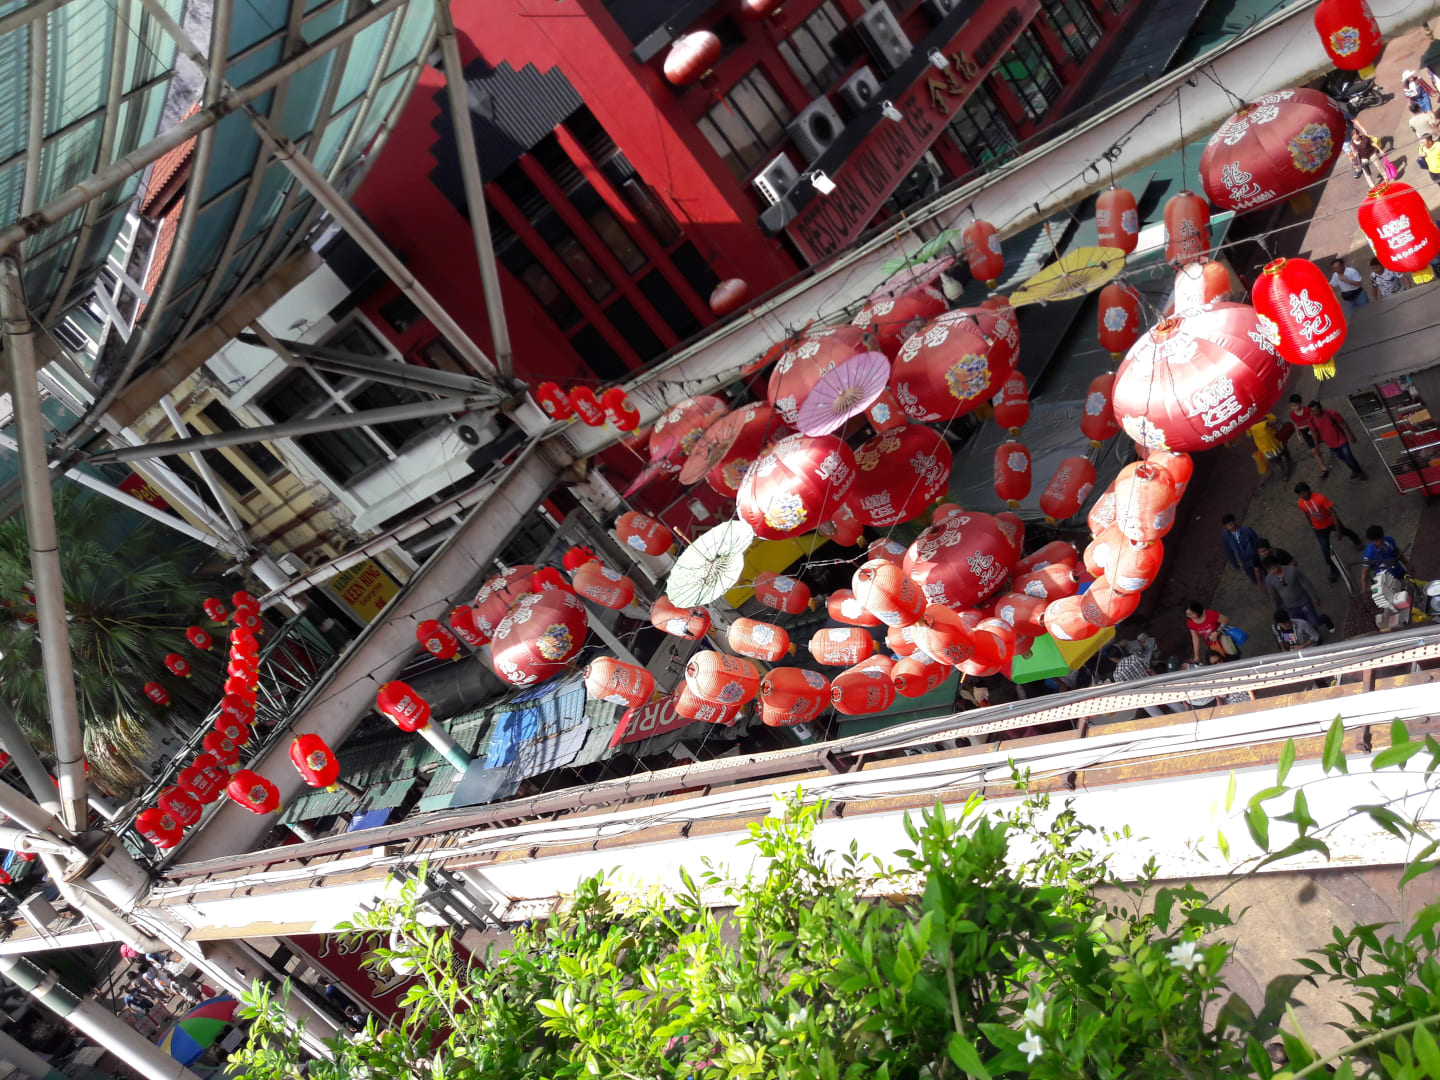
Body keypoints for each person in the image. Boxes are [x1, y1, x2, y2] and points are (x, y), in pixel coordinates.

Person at [1294, 481, 1361, 578]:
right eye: (1300, 494)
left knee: (1345, 532)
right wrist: (1312, 526)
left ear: (1308, 490)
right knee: (1325, 550)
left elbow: (1333, 513)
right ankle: (1333, 568)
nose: (1302, 495)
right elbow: (1307, 513)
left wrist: (1338, 530)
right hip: (1319, 529)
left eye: (1304, 493)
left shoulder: (1320, 498)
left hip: (1331, 523)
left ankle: (1356, 540)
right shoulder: (1300, 503)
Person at [1104, 644, 1180, 717]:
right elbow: (1150, 670)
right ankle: (1185, 712)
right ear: (1121, 651)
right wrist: (1161, 683)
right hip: (1152, 685)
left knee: (1157, 715)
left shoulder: (1117, 674)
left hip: (1141, 696)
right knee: (1171, 701)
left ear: (1112, 659)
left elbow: (1125, 691)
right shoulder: (1135, 657)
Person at [1264, 556, 1332, 633]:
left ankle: (1324, 619)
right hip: (1291, 607)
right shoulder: (1269, 579)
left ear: (1278, 564)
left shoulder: (1292, 570)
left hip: (1304, 602)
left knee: (1314, 622)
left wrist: (1314, 597)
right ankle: (1316, 636)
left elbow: (1305, 583)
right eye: (1270, 570)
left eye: (1274, 568)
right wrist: (1277, 610)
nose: (1273, 571)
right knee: (1303, 625)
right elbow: (1273, 595)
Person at [1307, 400, 1367, 480]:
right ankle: (1354, 470)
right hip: (1330, 443)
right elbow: (1314, 433)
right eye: (1312, 411)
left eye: (1316, 410)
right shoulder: (1311, 420)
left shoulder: (1331, 413)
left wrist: (1351, 435)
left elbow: (1343, 424)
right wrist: (1317, 447)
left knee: (1348, 457)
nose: (1314, 413)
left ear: (1320, 408)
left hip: (1341, 439)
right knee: (1343, 458)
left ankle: (1359, 472)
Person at [1220, 513, 1267, 595]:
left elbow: (1257, 542)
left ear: (1234, 521)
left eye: (1230, 523)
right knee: (1253, 577)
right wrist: (1235, 564)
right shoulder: (1225, 536)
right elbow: (1229, 551)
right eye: (1227, 525)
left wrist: (1263, 554)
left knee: (1263, 574)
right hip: (1244, 561)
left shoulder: (1247, 530)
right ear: (1225, 526)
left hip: (1255, 557)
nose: (1230, 526)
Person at [1361, 524, 1408, 592]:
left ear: (1383, 535)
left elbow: (1397, 552)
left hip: (1399, 571)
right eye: (1376, 541)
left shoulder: (1389, 540)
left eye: (1380, 539)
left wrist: (1407, 564)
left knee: (1409, 588)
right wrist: (1364, 590)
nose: (1379, 542)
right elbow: (1365, 572)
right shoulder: (1368, 554)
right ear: (1371, 541)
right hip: (1386, 580)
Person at [1288, 393, 1326, 472]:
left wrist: (1312, 429)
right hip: (1305, 433)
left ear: (1300, 403)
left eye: (1295, 405)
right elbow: (1296, 425)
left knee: (1323, 443)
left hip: (1313, 429)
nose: (1294, 407)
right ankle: (1323, 467)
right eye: (1292, 406)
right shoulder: (1292, 414)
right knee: (1314, 451)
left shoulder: (1307, 410)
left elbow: (1314, 419)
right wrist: (1298, 435)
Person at [1344, 121, 1387, 187]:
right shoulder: (1352, 143)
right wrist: (1354, 160)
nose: (1355, 138)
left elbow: (1372, 143)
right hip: (1363, 157)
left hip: (1371, 153)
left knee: (1379, 165)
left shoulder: (1364, 138)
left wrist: (1380, 150)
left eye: (1356, 136)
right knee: (1365, 171)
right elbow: (1354, 152)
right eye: (1353, 137)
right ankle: (1372, 186)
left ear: (1358, 134)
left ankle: (1385, 177)